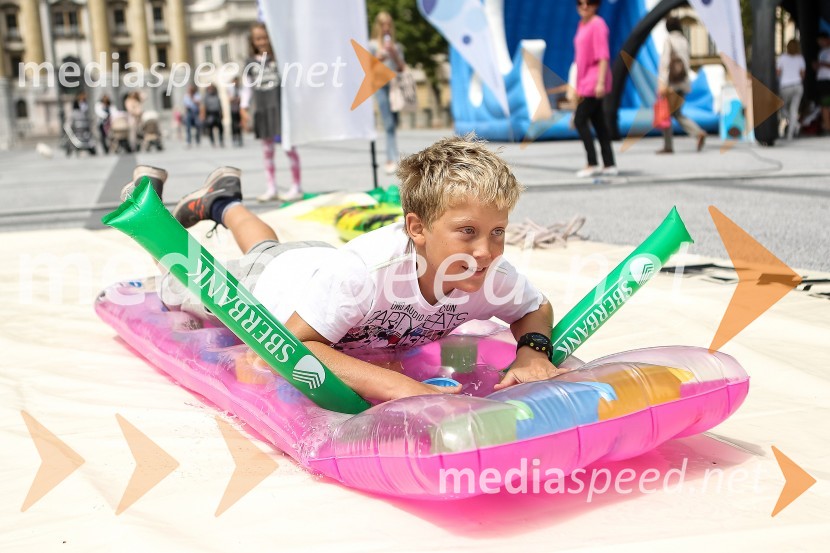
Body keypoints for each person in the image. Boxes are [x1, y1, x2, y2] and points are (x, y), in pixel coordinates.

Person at [154, 135, 565, 401]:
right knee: (181, 282)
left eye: (497, 231)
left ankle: (222, 202)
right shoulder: (366, 274)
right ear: (416, 228)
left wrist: (533, 351)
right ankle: (155, 222)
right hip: (266, 287)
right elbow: (293, 347)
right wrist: (402, 388)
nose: (486, 250)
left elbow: (535, 307)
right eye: (468, 231)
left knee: (266, 246)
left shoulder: (490, 273)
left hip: (315, 266)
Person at [240, 22, 302, 203]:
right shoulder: (249, 63)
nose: (262, 41)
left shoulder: (279, 58)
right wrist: (244, 108)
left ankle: (296, 186)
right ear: (253, 41)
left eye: (265, 37)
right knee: (267, 151)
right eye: (258, 38)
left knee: (289, 148)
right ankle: (271, 187)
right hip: (262, 109)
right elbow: (247, 87)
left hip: (281, 108)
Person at [572, 0, 617, 178]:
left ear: (596, 5)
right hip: (584, 82)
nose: (584, 6)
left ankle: (592, 162)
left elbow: (603, 56)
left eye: (588, 3)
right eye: (580, 3)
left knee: (580, 120)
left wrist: (600, 82)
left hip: (594, 79)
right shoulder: (581, 25)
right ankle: (609, 164)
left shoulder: (598, 24)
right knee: (599, 123)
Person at [656, 16, 706, 153]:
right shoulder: (684, 41)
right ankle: (697, 132)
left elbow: (665, 63)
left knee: (667, 113)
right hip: (683, 83)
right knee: (677, 113)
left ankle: (668, 146)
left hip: (671, 84)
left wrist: (662, 83)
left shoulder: (669, 40)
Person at [369, 12, 406, 175]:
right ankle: (391, 159)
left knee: (394, 123)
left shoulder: (396, 46)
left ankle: (393, 156)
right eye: (383, 24)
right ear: (378, 25)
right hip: (380, 86)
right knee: (388, 124)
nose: (386, 27)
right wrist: (380, 56)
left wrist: (394, 54)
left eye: (389, 24)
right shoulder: (371, 45)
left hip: (395, 86)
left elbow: (401, 68)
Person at [775, 39, 806, 141]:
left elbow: (778, 72)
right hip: (797, 86)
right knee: (794, 110)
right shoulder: (800, 58)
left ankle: (795, 124)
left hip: (785, 86)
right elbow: (802, 75)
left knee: (782, 109)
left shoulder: (783, 58)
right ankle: (790, 134)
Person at [815, 32, 830, 136]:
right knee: (824, 105)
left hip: (827, 80)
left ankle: (827, 127)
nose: (820, 42)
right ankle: (826, 126)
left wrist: (821, 64)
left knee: (825, 105)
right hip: (822, 80)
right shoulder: (821, 52)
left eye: (821, 40)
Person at [228, 77, 243, 147]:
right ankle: (234, 139)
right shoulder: (230, 89)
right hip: (233, 109)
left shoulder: (240, 88)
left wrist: (237, 99)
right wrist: (234, 99)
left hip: (239, 109)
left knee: (239, 124)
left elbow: (241, 98)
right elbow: (230, 99)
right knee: (233, 125)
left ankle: (240, 138)